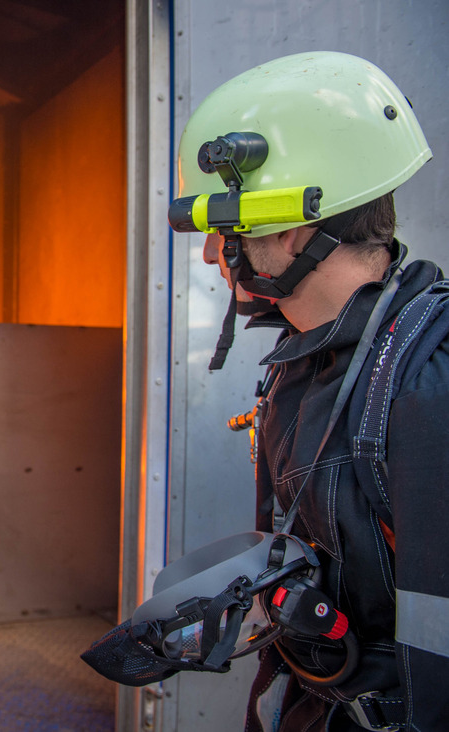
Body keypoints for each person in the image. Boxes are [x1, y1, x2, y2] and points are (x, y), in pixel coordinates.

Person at [176, 52, 447, 730]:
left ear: (293, 230)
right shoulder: (306, 360)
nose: (213, 254)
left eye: (226, 228)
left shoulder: (428, 381)